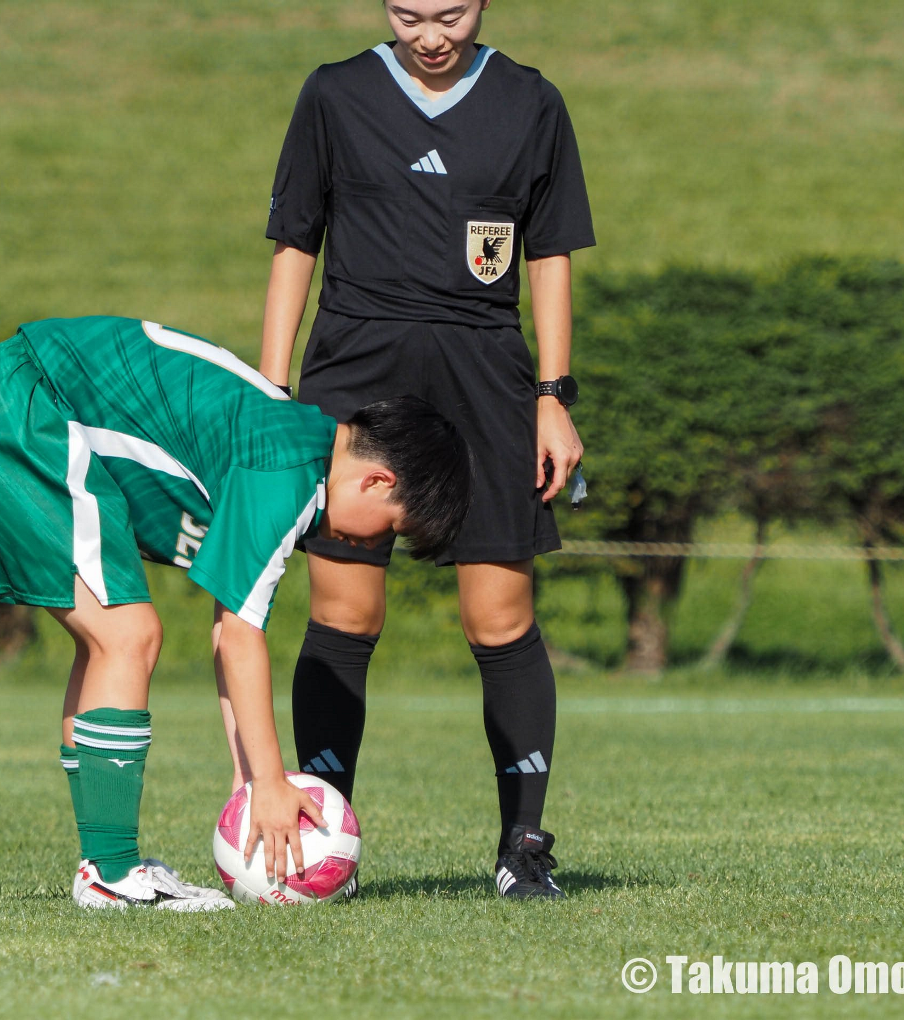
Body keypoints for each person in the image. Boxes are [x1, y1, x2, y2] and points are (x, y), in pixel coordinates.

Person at [0, 315, 471, 910]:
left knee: (106, 640)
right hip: (21, 409)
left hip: (5, 400)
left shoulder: (294, 444)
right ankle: (111, 873)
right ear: (377, 481)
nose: (374, 544)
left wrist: (248, 774)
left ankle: (102, 865)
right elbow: (239, 637)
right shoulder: (284, 470)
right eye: (391, 528)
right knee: (128, 636)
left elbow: (227, 630)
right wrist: (269, 783)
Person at [260, 0, 595, 899]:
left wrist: (553, 397)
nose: (431, 35)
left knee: (500, 618)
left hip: (485, 373)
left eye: (450, 14)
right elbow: (295, 243)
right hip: (355, 366)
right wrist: (271, 390)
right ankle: (323, 843)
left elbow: (550, 253)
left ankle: (522, 849)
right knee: (343, 613)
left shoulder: (531, 101)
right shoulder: (335, 94)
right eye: (409, 15)